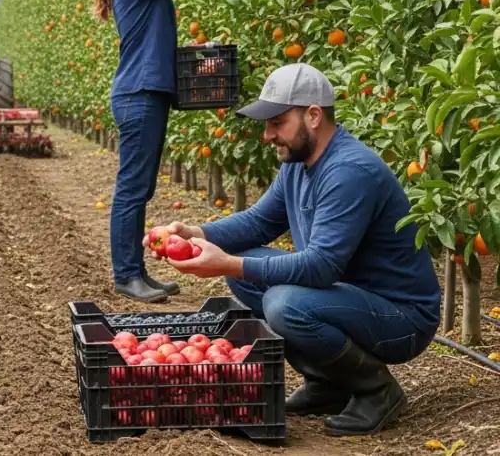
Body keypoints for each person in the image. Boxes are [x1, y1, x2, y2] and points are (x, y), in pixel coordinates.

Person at [145, 63, 441, 437]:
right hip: (352, 298)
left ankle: (377, 390)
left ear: (313, 116)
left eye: (277, 122)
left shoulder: (348, 171)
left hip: (401, 317)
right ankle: (326, 385)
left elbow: (322, 267)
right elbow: (258, 223)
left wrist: (231, 264)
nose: (268, 135)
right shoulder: (299, 164)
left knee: (282, 302)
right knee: (249, 275)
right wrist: (191, 233)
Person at [91, 0, 268, 302]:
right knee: (133, 188)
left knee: (141, 187)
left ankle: (135, 273)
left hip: (145, 93)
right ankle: (126, 274)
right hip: (138, 95)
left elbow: (151, 42)